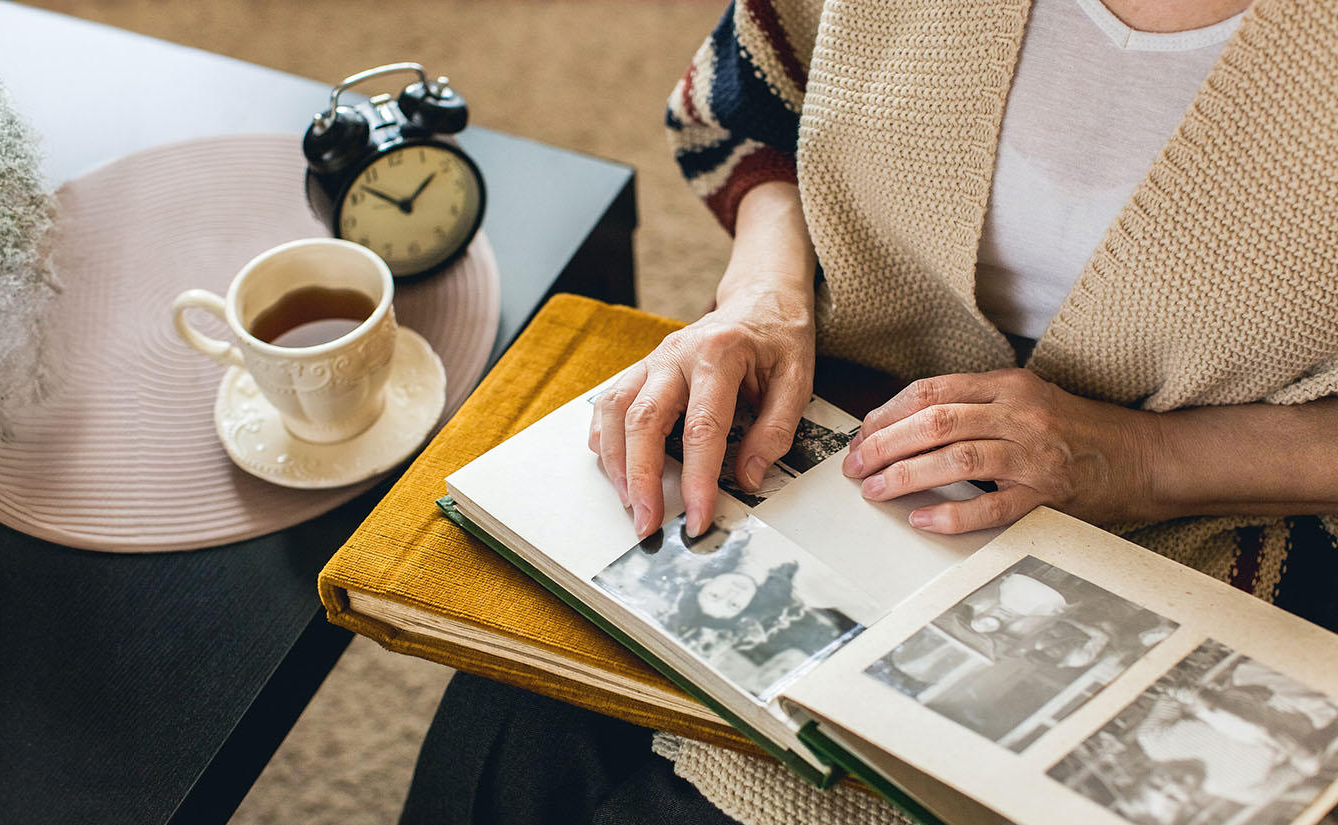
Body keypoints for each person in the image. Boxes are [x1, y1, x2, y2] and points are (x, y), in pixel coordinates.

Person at [405, 0, 1338, 822]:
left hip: (1213, 523)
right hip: (826, 422)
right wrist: (766, 296)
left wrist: (1143, 461)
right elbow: (755, 101)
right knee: (514, 720)